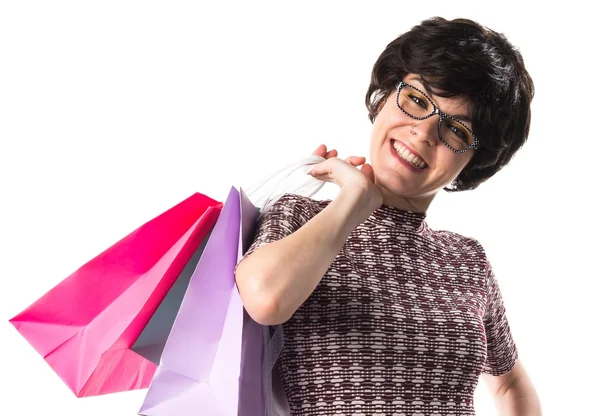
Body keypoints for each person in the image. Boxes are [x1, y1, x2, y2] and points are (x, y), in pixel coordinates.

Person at [235, 16, 542, 416]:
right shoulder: (299, 217)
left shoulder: (468, 262)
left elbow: (511, 386)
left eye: (457, 132)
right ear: (383, 98)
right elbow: (264, 300)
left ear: (473, 161)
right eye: (416, 100)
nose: (424, 133)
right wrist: (354, 201)